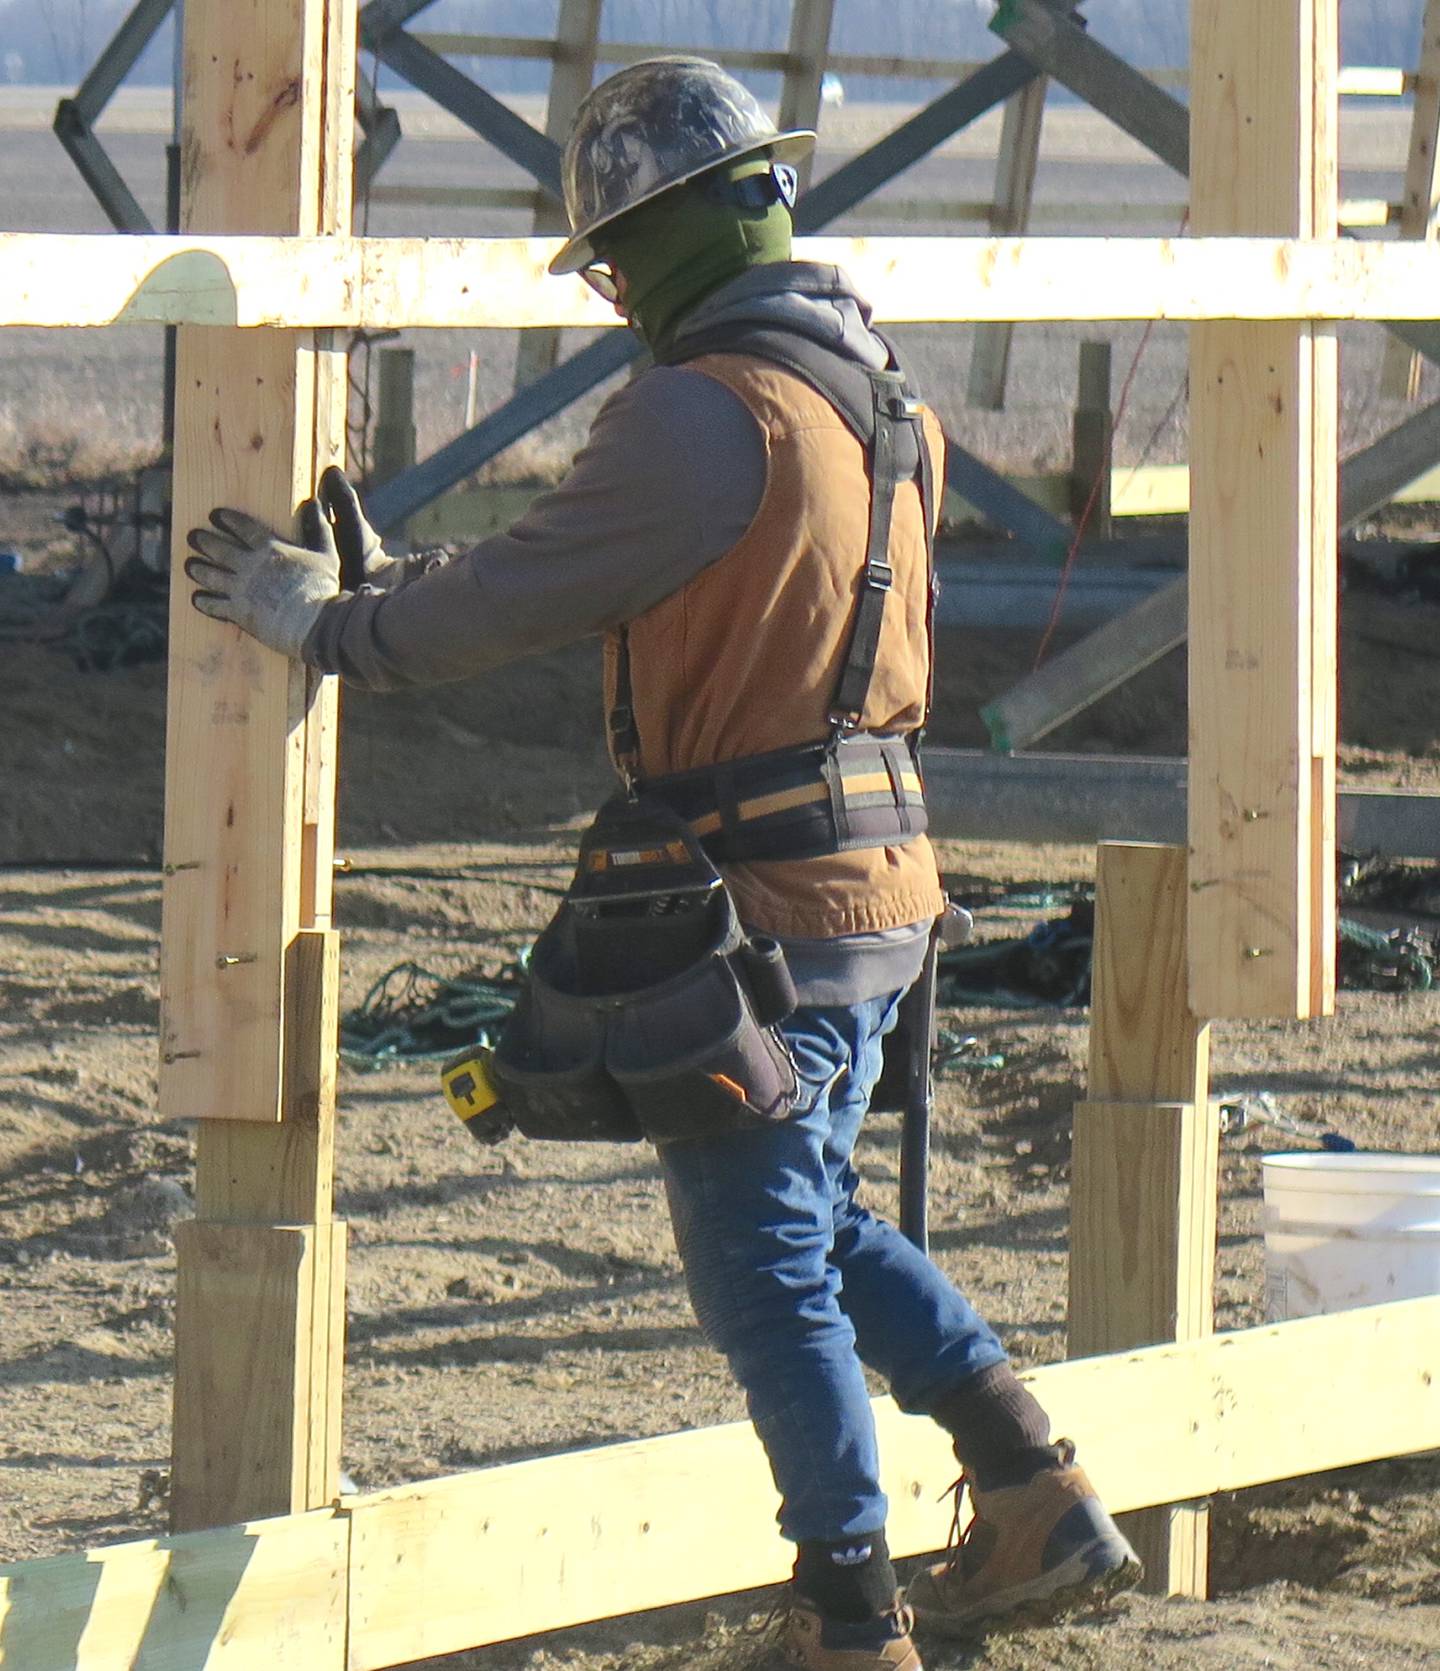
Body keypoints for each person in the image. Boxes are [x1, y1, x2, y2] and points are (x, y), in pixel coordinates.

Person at [184, 57, 1140, 1671]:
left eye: (617, 256)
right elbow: (612, 566)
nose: (615, 289)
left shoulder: (705, 407)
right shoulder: (854, 380)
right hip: (867, 877)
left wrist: (332, 623)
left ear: (673, 238)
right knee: (815, 1215)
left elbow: (520, 598)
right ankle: (1032, 1486)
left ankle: (849, 1616)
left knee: (764, 1259)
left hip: (774, 904)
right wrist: (400, 577)